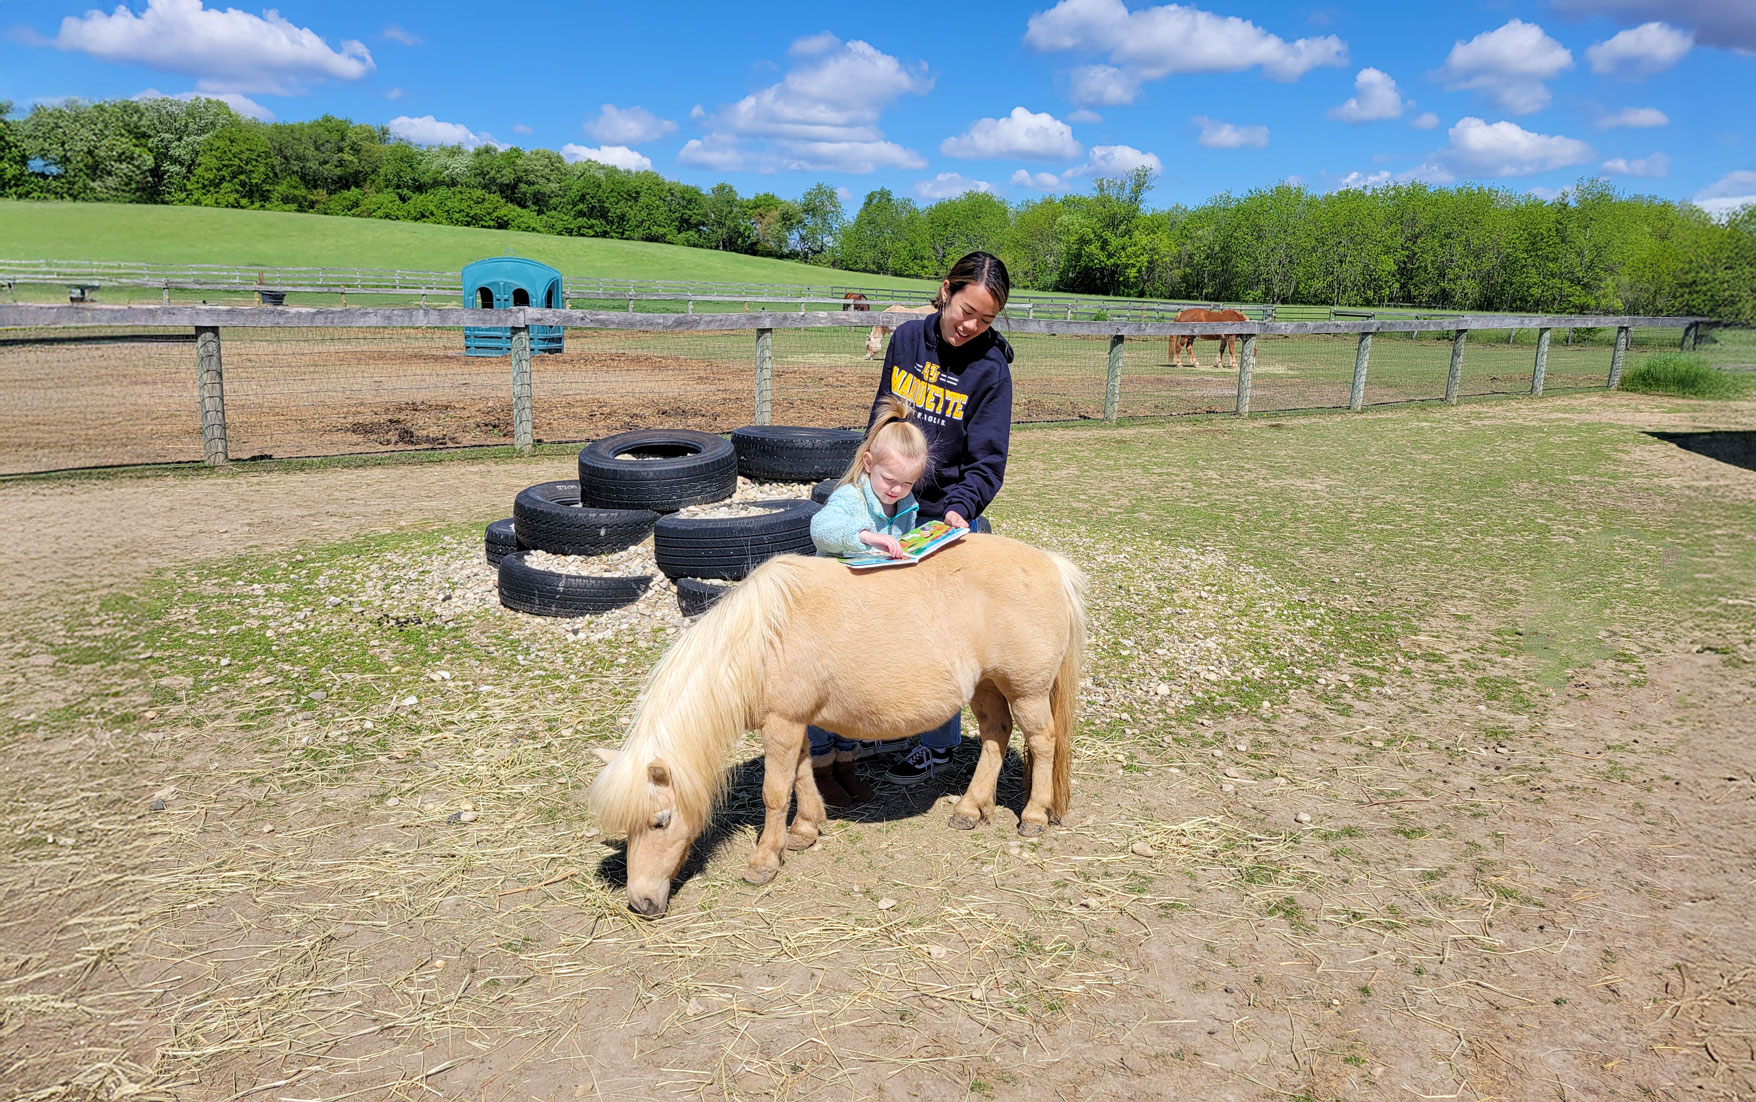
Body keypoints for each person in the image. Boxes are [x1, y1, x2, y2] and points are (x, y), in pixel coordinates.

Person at [867, 250, 1015, 786]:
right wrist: (872, 485)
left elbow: (987, 462)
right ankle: (900, 724)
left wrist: (960, 510)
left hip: (947, 515)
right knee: (889, 623)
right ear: (947, 290)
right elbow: (882, 416)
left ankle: (940, 744)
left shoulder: (991, 371)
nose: (970, 326)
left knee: (945, 633)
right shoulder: (906, 340)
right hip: (892, 503)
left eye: (986, 320)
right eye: (966, 310)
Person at [804, 396, 931, 805]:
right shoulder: (851, 498)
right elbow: (822, 528)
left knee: (852, 691)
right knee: (821, 695)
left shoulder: (905, 505)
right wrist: (866, 536)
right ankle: (820, 767)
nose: (897, 489)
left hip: (868, 615)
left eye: (907, 483)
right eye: (890, 480)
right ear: (869, 463)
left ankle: (848, 763)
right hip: (832, 610)